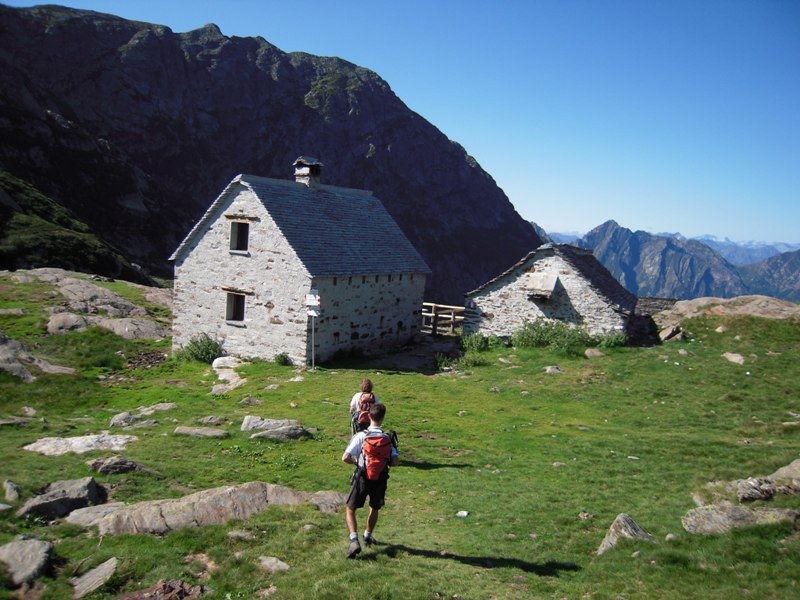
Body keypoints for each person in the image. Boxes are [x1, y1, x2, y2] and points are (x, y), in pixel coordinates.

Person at [341, 402, 399, 558]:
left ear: (369, 416)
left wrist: (357, 462)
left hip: (362, 476)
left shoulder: (361, 436)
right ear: (383, 418)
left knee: (350, 508)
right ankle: (367, 535)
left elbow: (345, 457)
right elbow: (395, 462)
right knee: (374, 507)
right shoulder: (387, 438)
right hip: (380, 478)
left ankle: (354, 539)